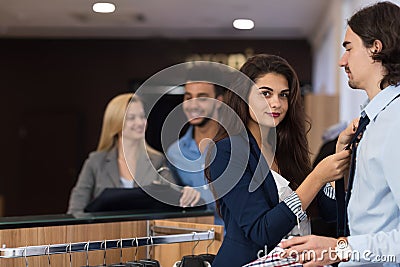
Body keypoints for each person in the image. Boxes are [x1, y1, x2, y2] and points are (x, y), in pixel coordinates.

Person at [280, 2, 400, 266]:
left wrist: (340, 249)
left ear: (375, 47)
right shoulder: (372, 121)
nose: (341, 61)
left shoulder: (395, 121)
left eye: (348, 48)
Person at [205, 54, 351, 267]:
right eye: (265, 93)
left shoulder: (286, 151)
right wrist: (317, 177)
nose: (276, 103)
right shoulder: (226, 152)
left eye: (283, 95)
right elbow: (261, 231)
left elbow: (333, 213)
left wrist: (339, 156)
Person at [67, 93, 200, 214]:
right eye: (131, 118)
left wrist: (186, 193)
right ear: (115, 122)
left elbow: (174, 196)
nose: (140, 123)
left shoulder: (157, 160)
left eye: (142, 116)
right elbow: (75, 210)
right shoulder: (95, 162)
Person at [166, 66, 226, 225]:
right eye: (188, 97)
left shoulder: (238, 147)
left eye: (202, 97)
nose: (193, 105)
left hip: (235, 243)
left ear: (219, 102)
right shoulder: (174, 153)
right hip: (192, 244)